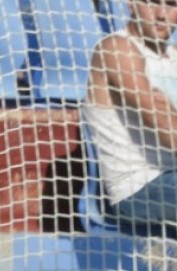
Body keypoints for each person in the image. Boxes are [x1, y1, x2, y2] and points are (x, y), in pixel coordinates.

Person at [83, 0, 177, 239]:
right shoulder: (117, 49)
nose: (161, 15)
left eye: (171, 5)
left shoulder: (174, 57)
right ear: (132, 4)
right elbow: (171, 136)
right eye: (153, 3)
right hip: (137, 188)